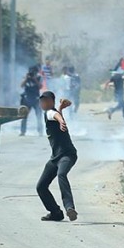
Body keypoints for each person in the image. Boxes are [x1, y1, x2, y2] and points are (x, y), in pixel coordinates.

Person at [35, 90, 78, 222]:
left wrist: (60, 119)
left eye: (47, 101)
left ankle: (69, 207)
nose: (44, 103)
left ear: (52, 102)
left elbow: (54, 115)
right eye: (42, 101)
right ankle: (55, 213)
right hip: (55, 158)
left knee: (61, 174)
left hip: (67, 155)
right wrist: (60, 110)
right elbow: (55, 115)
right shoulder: (49, 114)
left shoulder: (50, 113)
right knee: (41, 186)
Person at [19, 66, 43, 136]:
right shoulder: (26, 77)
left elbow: (40, 86)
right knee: (24, 116)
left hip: (36, 99)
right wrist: (26, 78)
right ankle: (23, 131)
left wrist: (34, 79)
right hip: (27, 99)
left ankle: (40, 131)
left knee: (39, 116)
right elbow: (21, 85)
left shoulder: (39, 77)